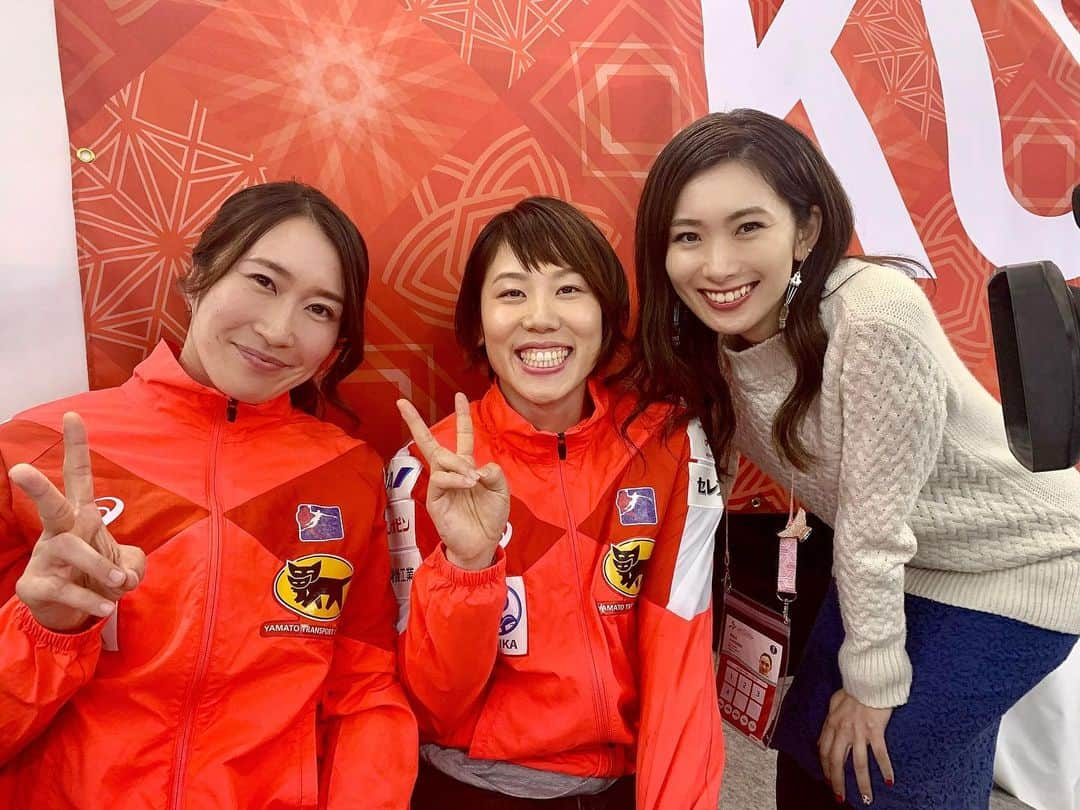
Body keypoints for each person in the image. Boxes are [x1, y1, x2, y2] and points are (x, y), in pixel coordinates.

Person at [623, 109, 1080, 809]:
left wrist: (873, 688)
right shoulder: (706, 339)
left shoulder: (871, 319)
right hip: (903, 559)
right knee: (807, 763)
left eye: (748, 227)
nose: (716, 266)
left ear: (805, 230)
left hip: (1019, 564)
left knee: (871, 774)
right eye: (688, 237)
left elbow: (872, 532)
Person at [0, 181, 417, 809]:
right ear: (198, 275)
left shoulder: (349, 473)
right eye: (264, 281)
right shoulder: (33, 450)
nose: (279, 330)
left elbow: (364, 693)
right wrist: (45, 630)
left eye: (320, 309)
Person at [387, 196, 724, 809]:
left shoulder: (669, 446)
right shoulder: (425, 468)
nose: (541, 318)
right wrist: (468, 565)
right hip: (470, 785)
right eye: (512, 293)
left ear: (607, 314)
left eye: (569, 290)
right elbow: (433, 705)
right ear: (477, 323)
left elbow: (682, 660)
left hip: (621, 783)